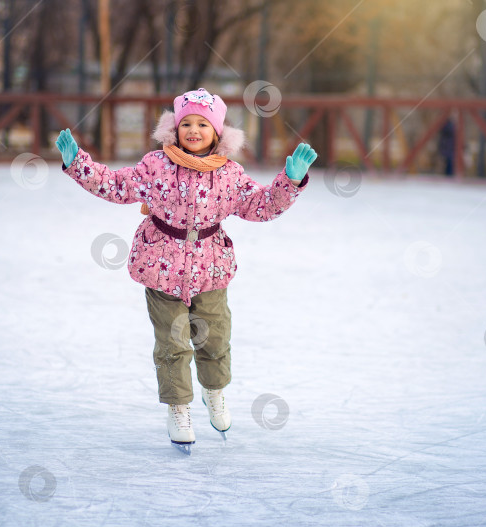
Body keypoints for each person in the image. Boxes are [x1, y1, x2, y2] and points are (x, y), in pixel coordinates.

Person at [55, 88, 317, 452]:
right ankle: (179, 408)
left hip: (210, 269)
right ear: (175, 129)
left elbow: (262, 206)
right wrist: (78, 164)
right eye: (187, 123)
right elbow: (116, 186)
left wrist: (290, 182)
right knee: (172, 344)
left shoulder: (229, 175)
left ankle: (214, 392)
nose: (194, 130)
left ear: (218, 132)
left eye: (203, 124)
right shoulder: (156, 166)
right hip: (160, 266)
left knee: (214, 339)